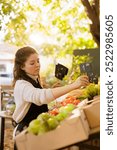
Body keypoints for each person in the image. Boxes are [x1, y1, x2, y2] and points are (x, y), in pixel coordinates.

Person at [12, 46, 89, 148]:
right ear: (22, 66)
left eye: (38, 61)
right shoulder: (22, 84)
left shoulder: (33, 79)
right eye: (32, 63)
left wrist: (50, 90)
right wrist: (73, 85)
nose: (37, 65)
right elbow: (40, 97)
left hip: (41, 128)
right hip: (27, 132)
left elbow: (38, 96)